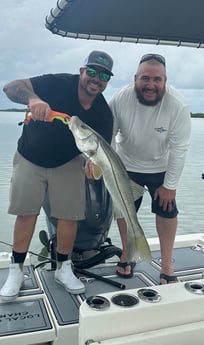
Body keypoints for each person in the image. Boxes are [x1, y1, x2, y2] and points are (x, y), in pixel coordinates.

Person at [0, 50, 114, 301]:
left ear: (107, 81)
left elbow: (101, 153)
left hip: (68, 162)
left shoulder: (103, 114)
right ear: (82, 71)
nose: (96, 79)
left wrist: (93, 167)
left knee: (69, 217)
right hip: (30, 155)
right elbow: (10, 87)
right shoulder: (58, 83)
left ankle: (64, 267)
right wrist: (33, 100)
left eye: (103, 75)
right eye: (92, 71)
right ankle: (16, 270)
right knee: (26, 213)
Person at [109, 53, 191, 284]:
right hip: (125, 165)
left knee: (167, 212)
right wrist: (113, 169)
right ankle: (128, 253)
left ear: (165, 81)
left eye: (157, 79)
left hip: (161, 167)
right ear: (136, 78)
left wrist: (170, 186)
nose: (151, 85)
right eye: (145, 78)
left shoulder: (178, 105)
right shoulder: (119, 98)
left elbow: (179, 149)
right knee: (124, 211)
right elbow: (109, 134)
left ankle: (166, 266)